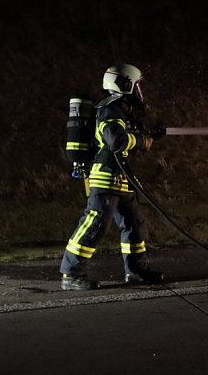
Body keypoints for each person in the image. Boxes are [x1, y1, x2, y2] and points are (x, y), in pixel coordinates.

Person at [59, 64, 163, 290]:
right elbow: (115, 140)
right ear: (125, 84)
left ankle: (135, 271)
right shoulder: (111, 108)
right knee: (95, 224)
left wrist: (147, 134)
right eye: (137, 85)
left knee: (134, 225)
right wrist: (140, 141)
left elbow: (127, 135)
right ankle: (71, 274)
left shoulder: (122, 109)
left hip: (121, 178)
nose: (140, 91)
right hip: (105, 178)